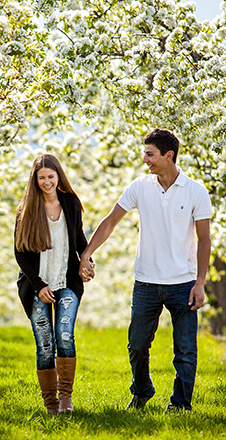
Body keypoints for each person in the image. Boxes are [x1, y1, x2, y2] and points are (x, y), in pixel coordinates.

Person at [79, 129, 211, 412]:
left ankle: (180, 405)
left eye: (150, 154)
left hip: (183, 283)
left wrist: (200, 282)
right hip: (146, 283)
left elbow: (204, 239)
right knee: (137, 345)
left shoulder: (196, 191)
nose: (145, 160)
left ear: (168, 155)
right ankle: (142, 391)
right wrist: (87, 253)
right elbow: (111, 221)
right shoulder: (140, 186)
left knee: (185, 351)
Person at [15, 154, 93, 414]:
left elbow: (79, 239)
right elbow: (20, 252)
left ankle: (65, 399)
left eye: (51, 176)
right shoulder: (27, 209)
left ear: (59, 176)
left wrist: (87, 261)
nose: (47, 182)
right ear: (35, 180)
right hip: (37, 286)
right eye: (42, 178)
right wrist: (38, 285)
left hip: (67, 281)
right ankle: (50, 404)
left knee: (65, 334)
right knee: (45, 343)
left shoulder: (70, 203)